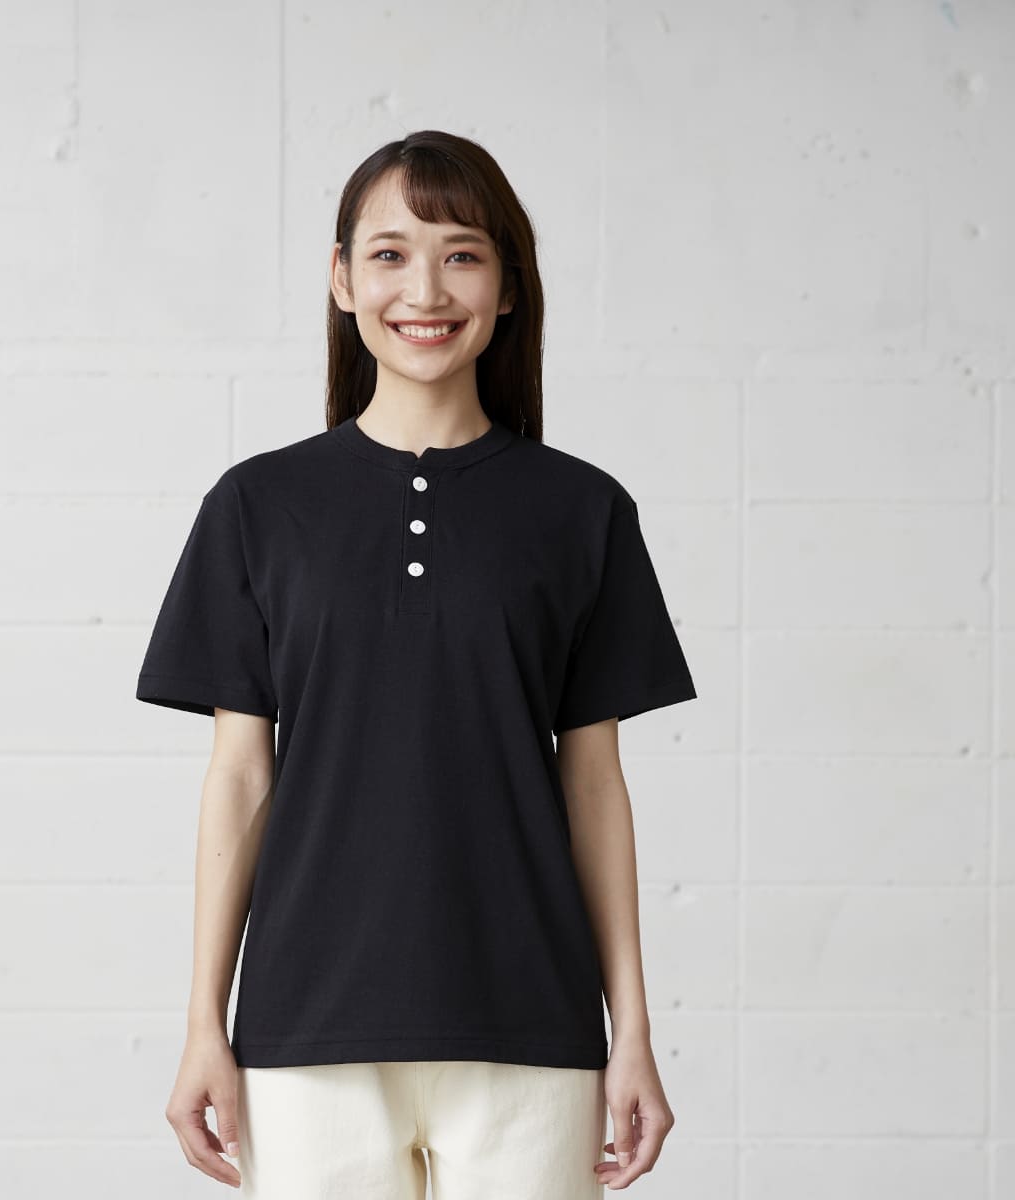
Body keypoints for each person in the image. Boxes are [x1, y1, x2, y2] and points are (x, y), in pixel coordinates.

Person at [135, 129, 698, 1198]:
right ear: (342, 279)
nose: (425, 290)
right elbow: (241, 777)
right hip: (307, 1031)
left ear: (508, 286)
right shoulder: (258, 507)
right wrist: (205, 1022)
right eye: (390, 254)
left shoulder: (582, 511)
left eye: (462, 254)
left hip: (531, 1025)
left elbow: (594, 784)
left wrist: (631, 1030)